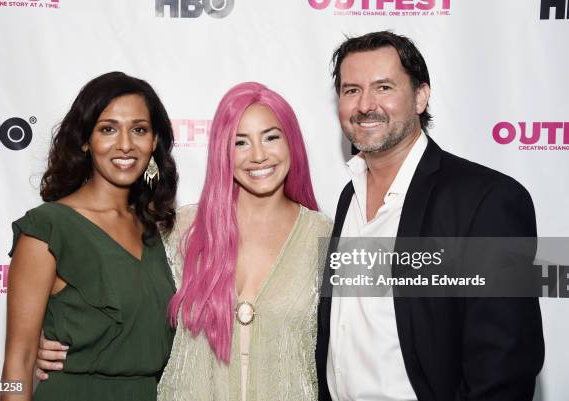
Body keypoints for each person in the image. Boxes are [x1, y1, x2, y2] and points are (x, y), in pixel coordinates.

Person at [35, 82, 332, 401]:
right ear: (222, 151)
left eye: (271, 137)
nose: (258, 155)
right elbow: (118, 296)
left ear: (293, 143)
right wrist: (42, 336)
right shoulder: (178, 230)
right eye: (240, 142)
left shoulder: (328, 235)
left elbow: (366, 331)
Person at [315, 31, 545, 401]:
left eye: (384, 87)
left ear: (420, 96)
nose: (365, 105)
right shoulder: (349, 197)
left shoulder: (486, 201)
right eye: (351, 90)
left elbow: (505, 366)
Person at [1, 72, 178, 401]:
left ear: (154, 141)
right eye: (108, 129)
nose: (125, 144)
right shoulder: (48, 229)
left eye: (138, 129)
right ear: (85, 140)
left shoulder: (156, 229)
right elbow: (18, 361)